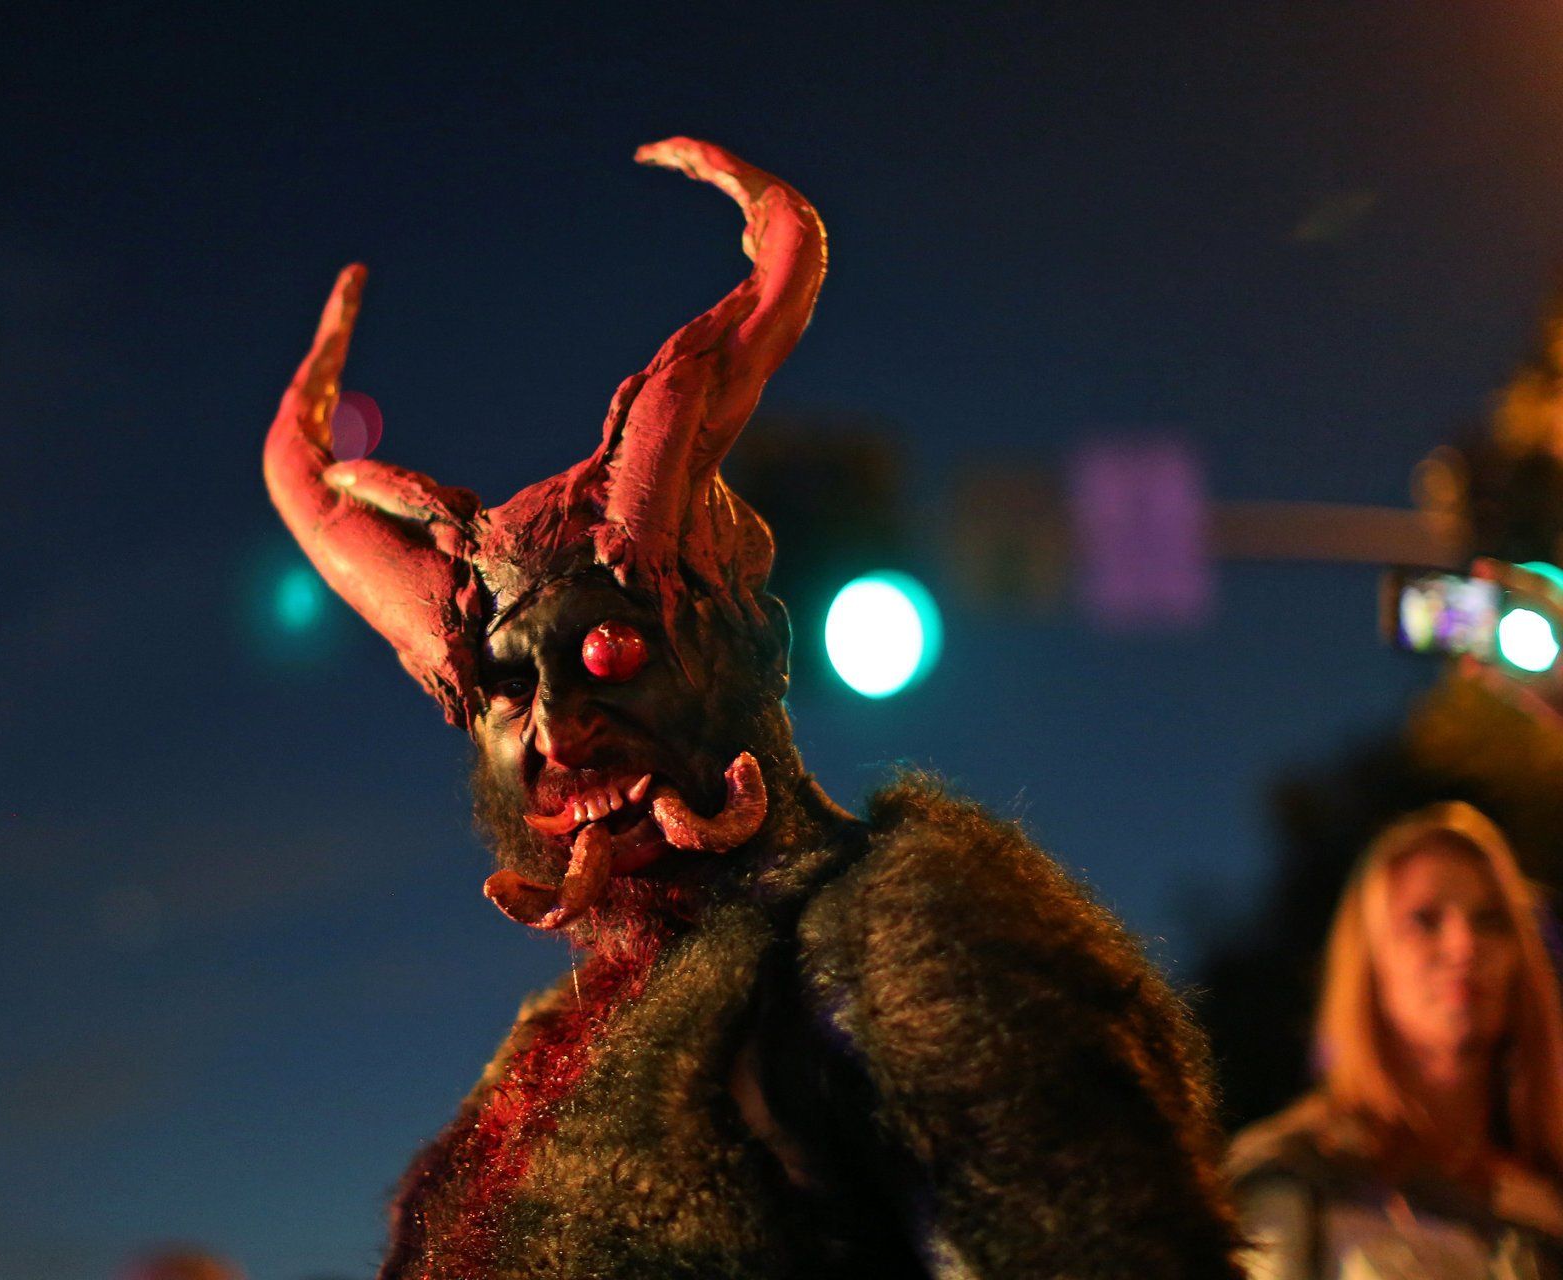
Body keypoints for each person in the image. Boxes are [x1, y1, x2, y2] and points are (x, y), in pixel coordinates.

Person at [262, 137, 1242, 1277]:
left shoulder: (894, 934)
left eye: (612, 652)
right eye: (510, 690)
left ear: (751, 651)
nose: (558, 729)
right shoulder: (550, 1053)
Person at [1230, 802, 1563, 1279]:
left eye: (1490, 920)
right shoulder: (1297, 1170)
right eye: (1425, 920)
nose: (1464, 947)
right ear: (1369, 962)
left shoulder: (1545, 1201)